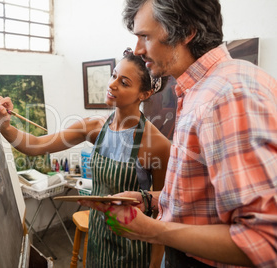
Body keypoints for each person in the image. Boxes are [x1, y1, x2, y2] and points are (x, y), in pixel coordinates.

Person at [80, 0, 277, 267]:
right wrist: (149, 199)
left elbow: (264, 240)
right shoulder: (203, 89)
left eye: (145, 37)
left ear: (187, 32)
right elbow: (205, 200)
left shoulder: (226, 96)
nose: (138, 49)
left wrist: (150, 230)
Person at [0, 49, 171, 267]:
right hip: (97, 239)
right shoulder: (94, 127)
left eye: (124, 82)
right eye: (113, 75)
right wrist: (4, 126)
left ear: (145, 94)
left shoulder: (157, 144)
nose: (112, 85)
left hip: (135, 247)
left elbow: (164, 211)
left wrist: (154, 265)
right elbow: (37, 145)